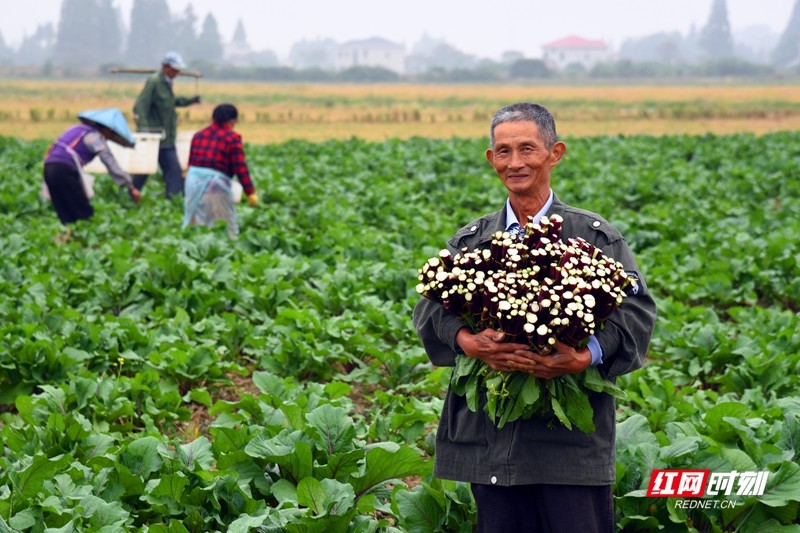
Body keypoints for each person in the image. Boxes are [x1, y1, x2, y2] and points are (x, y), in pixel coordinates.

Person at [412, 102, 657, 533]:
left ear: (555, 153)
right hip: (492, 442)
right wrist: (469, 342)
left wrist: (585, 356)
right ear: (491, 158)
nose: (515, 163)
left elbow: (636, 312)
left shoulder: (593, 237)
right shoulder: (473, 240)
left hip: (570, 448)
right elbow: (429, 308)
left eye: (527, 149)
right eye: (503, 152)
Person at [43, 108, 142, 241]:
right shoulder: (95, 138)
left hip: (49, 168)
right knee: (84, 213)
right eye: (111, 135)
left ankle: (66, 242)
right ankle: (86, 243)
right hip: (64, 170)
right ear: (107, 130)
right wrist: (131, 186)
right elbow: (110, 163)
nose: (109, 138)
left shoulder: (76, 129)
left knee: (65, 213)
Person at [183, 103, 258, 239]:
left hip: (193, 185)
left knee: (197, 226)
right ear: (232, 121)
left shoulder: (198, 135)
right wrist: (250, 192)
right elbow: (240, 168)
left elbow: (190, 163)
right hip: (215, 186)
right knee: (226, 227)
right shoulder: (232, 138)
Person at [132, 51, 201, 198]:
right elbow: (140, 106)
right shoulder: (155, 81)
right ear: (165, 67)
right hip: (155, 137)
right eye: (174, 69)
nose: (177, 73)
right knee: (148, 170)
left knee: (169, 172)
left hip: (167, 138)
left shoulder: (167, 83)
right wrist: (145, 131)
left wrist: (190, 101)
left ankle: (171, 202)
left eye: (178, 70)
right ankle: (131, 195)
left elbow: (170, 102)